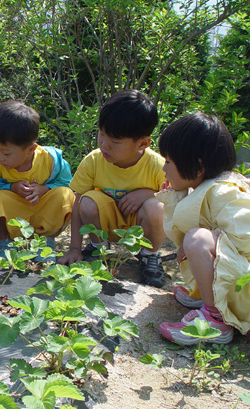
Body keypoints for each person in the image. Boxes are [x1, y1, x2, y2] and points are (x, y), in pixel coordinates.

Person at [156, 112, 250, 345]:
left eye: (168, 162)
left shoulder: (224, 192)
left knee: (198, 240)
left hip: (244, 286)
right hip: (237, 278)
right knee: (195, 240)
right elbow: (184, 225)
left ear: (197, 168)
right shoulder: (209, 187)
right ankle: (208, 298)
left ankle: (216, 318)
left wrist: (206, 240)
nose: (164, 169)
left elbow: (244, 239)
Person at [58, 90, 167, 287]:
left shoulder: (157, 165)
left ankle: (149, 255)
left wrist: (148, 193)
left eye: (115, 142)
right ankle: (98, 247)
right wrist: (75, 247)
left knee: (157, 207)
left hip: (138, 230)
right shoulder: (93, 160)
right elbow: (77, 204)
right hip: (105, 227)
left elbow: (176, 200)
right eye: (101, 135)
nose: (104, 145)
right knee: (87, 201)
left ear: (142, 143)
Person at [0, 101, 74, 253]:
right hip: (14, 215)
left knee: (65, 195)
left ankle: (46, 242)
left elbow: (67, 183)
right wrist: (11, 187)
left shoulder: (51, 161)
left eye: (6, 153)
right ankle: (5, 242)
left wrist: (45, 188)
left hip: (43, 209)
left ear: (31, 149)